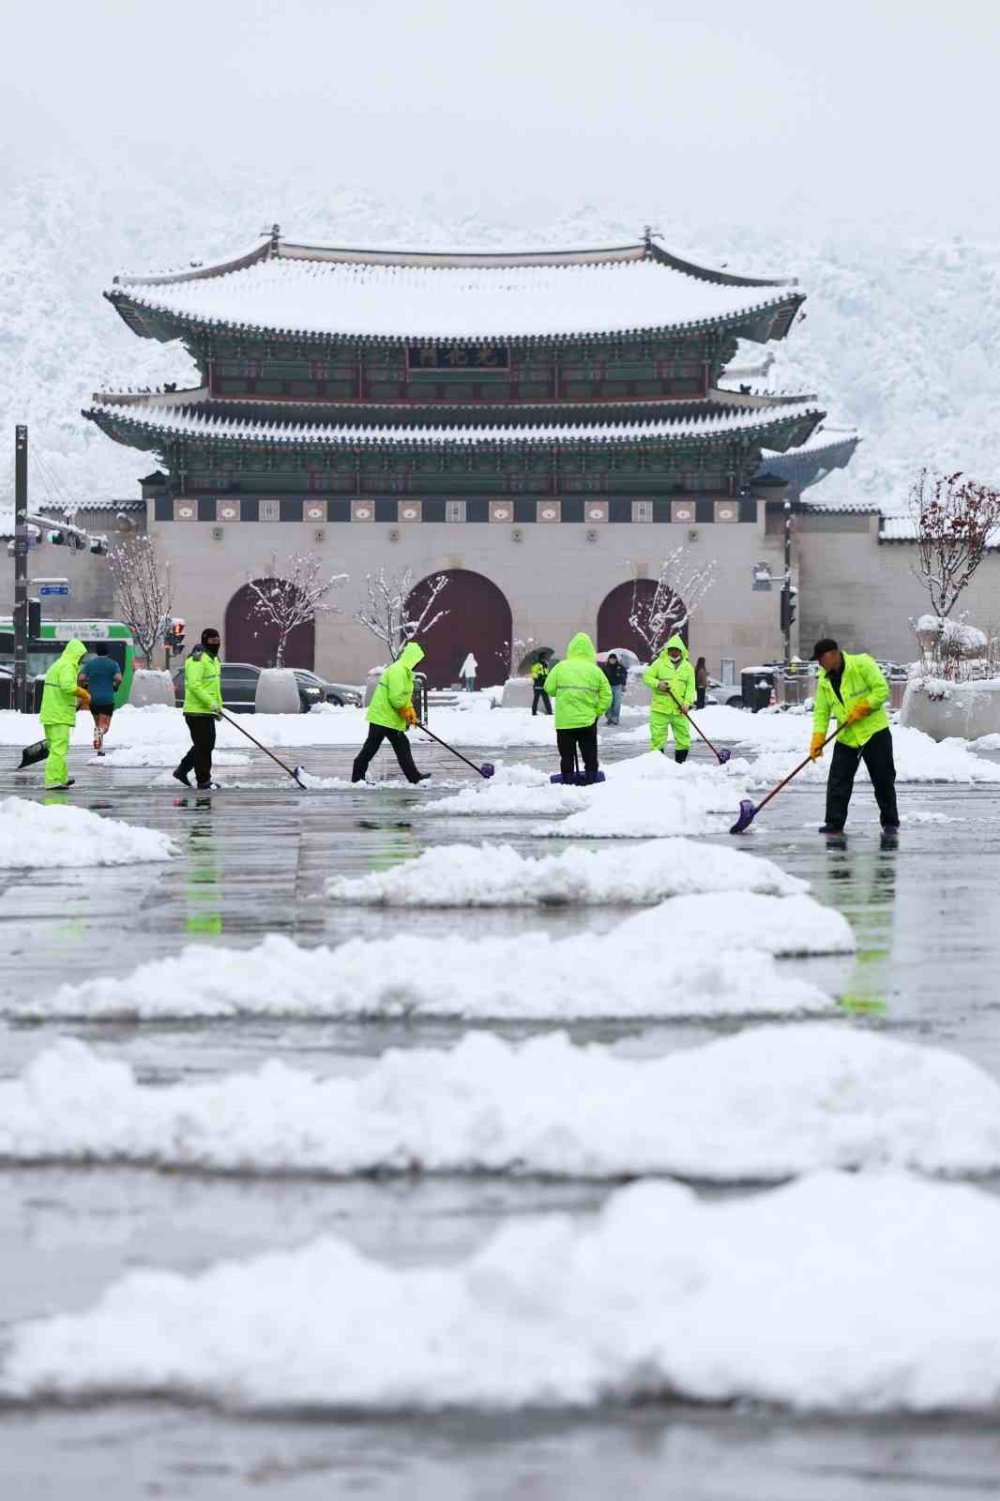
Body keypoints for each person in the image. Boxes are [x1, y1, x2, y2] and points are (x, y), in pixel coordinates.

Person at [809, 637, 899, 841]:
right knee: (838, 780)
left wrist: (863, 707)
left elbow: (881, 690)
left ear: (833, 654)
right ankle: (834, 824)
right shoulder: (824, 680)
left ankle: (890, 823)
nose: (819, 664)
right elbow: (821, 712)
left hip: (874, 731)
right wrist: (817, 739)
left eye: (820, 659)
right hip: (847, 736)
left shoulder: (862, 664)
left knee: (883, 779)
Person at [352, 640, 431, 784]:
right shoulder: (398, 671)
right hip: (383, 718)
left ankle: (414, 777)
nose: (418, 664)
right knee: (371, 748)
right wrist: (406, 712)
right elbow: (395, 698)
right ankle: (357, 778)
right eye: (417, 660)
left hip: (389, 718)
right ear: (411, 658)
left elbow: (404, 697)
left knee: (400, 746)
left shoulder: (405, 672)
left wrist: (411, 713)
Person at [543, 632, 612, 784]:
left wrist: (561, 693)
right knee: (590, 755)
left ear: (571, 649)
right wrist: (598, 712)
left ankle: (567, 781)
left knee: (566, 756)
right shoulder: (595, 670)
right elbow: (607, 695)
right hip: (587, 722)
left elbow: (549, 688)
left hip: (564, 723)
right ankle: (591, 779)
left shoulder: (561, 667)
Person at [173, 627, 223, 791]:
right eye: (212, 641)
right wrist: (211, 704)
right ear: (204, 641)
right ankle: (203, 780)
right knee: (203, 746)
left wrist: (218, 707)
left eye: (217, 641)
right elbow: (195, 686)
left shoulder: (213, 660)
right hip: (195, 711)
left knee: (206, 744)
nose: (216, 645)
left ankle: (182, 770)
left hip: (207, 710)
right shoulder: (197, 660)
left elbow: (214, 687)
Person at [39, 638, 90, 789]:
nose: (81, 660)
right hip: (59, 714)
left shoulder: (58, 665)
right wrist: (84, 694)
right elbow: (67, 687)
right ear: (75, 654)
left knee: (57, 748)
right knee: (59, 749)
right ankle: (53, 780)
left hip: (51, 713)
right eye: (81, 656)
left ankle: (62, 778)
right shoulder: (67, 666)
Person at [643, 634, 696, 762]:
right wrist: (658, 684)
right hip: (660, 709)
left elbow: (690, 688)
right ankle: (658, 765)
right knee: (657, 739)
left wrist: (687, 703)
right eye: (671, 649)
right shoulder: (659, 664)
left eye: (676, 650)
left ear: (681, 651)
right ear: (667, 650)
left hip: (680, 710)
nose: (674, 652)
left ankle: (680, 764)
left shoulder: (688, 667)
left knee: (684, 739)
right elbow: (647, 677)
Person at [81, 643, 122, 755]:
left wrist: (85, 686)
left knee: (97, 724)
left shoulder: (90, 664)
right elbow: (119, 679)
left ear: (96, 652)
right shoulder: (113, 664)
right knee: (104, 726)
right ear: (107, 652)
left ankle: (100, 750)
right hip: (107, 699)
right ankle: (100, 740)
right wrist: (115, 687)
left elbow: (81, 678)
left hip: (93, 699)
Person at [602, 651, 628, 725]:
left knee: (617, 703)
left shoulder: (620, 667)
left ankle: (615, 718)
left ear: (616, 660)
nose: (612, 660)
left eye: (614, 659)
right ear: (609, 660)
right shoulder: (605, 667)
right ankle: (609, 717)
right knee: (608, 703)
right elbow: (602, 677)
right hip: (607, 687)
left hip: (617, 686)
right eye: (611, 659)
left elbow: (624, 676)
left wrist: (623, 685)